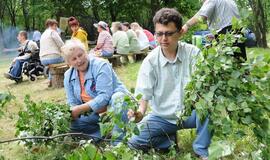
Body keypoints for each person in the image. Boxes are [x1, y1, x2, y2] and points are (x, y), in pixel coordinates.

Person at [125, 8, 211, 159]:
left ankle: (201, 149)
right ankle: (168, 140)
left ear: (180, 33)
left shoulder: (193, 53)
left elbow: (206, 87)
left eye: (169, 33)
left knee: (209, 107)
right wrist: (139, 114)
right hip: (163, 117)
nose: (163, 38)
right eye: (159, 33)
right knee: (134, 142)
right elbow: (143, 98)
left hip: (191, 114)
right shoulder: (150, 62)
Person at [62, 39, 128, 141]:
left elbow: (104, 97)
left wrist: (79, 110)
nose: (79, 60)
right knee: (69, 125)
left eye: (80, 55)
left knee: (118, 98)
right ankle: (104, 133)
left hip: (112, 109)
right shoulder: (68, 76)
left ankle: (118, 140)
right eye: (74, 59)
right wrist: (72, 112)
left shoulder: (101, 65)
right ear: (69, 63)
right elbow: (72, 102)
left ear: (86, 52)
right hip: (93, 114)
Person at [182, 0, 246, 60]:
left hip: (226, 36)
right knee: (239, 62)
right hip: (238, 34)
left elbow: (201, 15)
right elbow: (224, 19)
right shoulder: (230, 1)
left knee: (223, 65)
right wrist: (214, 35)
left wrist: (186, 25)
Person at [40, 19, 65, 87]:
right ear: (53, 25)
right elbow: (61, 45)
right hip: (54, 58)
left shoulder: (43, 34)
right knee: (68, 59)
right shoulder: (53, 32)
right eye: (56, 26)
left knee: (53, 63)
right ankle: (68, 79)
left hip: (43, 60)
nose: (56, 28)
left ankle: (50, 80)